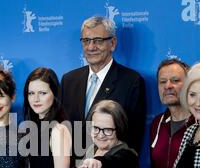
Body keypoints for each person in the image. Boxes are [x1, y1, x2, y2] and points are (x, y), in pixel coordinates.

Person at [61, 16, 146, 154]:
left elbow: (133, 139)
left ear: (112, 43)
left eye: (98, 41)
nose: (91, 47)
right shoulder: (69, 80)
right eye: (86, 41)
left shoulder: (131, 81)